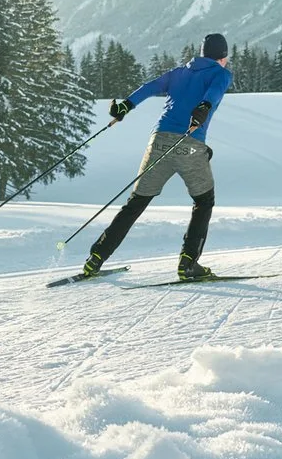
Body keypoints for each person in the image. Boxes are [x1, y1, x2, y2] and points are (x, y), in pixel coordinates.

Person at [81, 32, 234, 281]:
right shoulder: (221, 73)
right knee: (204, 202)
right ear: (223, 57)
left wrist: (125, 106)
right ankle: (188, 263)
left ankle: (95, 258)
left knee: (135, 203)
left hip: (158, 142)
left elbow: (150, 87)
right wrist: (204, 107)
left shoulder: (179, 72)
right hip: (190, 142)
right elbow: (214, 93)